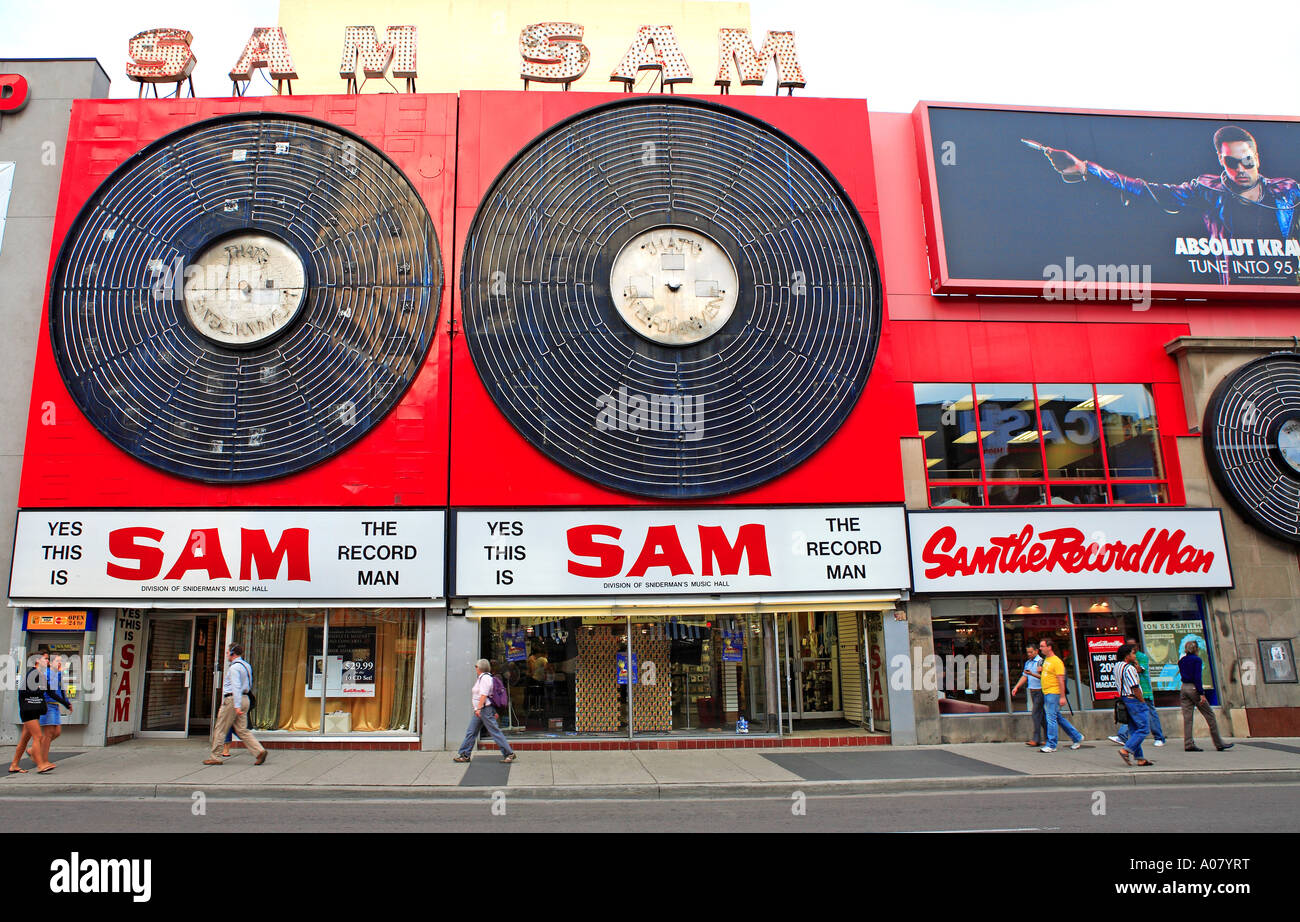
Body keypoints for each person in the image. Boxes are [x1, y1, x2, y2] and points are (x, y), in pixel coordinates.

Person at [1033, 125, 1300, 285]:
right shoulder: (1206, 190)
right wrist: (1087, 169)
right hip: (1235, 291)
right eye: (1232, 163)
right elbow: (1148, 190)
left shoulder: (1288, 191)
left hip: (1287, 292)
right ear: (1221, 160)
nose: (1242, 169)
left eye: (1248, 161)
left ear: (1257, 158)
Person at [203, 643, 267, 766]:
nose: (227, 655)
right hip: (245, 698)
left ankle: (215, 757)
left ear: (232, 653)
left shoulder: (234, 668)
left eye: (227, 653)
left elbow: (236, 687)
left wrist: (236, 706)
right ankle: (259, 751)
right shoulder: (246, 665)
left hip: (233, 700)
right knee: (242, 730)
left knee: (221, 728)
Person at [454, 659, 516, 764]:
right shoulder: (482, 678)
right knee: (471, 732)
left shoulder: (485, 679)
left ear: (480, 667)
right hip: (481, 710)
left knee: (494, 731)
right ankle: (464, 754)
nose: (475, 668)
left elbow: (483, 695)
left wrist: (478, 708)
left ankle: (509, 753)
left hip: (484, 710)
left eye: (476, 666)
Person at [1109, 636, 1166, 747]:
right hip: (1133, 695)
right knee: (1136, 721)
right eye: (1130, 648)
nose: (1133, 651)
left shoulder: (1142, 657)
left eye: (1134, 646)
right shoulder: (1123, 666)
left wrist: (1135, 662)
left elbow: (1140, 670)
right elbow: (1133, 685)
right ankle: (1125, 740)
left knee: (1147, 718)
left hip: (1143, 690)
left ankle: (1158, 737)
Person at [1179, 640, 1233, 752]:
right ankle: (1218, 742)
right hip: (1194, 688)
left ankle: (1188, 743)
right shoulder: (1197, 660)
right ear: (1196, 649)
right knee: (1209, 715)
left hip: (1184, 688)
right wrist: (1201, 693)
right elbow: (1197, 677)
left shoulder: (1182, 661)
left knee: (1188, 718)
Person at [9, 651, 56, 774]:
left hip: (33, 710)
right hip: (28, 710)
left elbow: (50, 692)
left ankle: (14, 765)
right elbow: (23, 692)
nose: (47, 661)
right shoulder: (32, 674)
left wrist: (66, 703)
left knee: (24, 739)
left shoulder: (41, 675)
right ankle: (41, 765)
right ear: (37, 661)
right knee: (38, 736)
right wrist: (38, 690)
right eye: (45, 659)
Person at [1038, 637, 1083, 752]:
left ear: (1049, 647)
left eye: (1042, 646)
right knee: (1057, 717)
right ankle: (1077, 736)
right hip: (1047, 692)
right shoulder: (1046, 660)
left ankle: (1051, 744)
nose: (1040, 648)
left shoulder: (1056, 661)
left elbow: (1060, 680)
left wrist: (1062, 696)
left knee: (1051, 718)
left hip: (1053, 692)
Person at [1116, 644, 1154, 766]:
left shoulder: (1117, 666)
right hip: (1134, 700)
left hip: (1125, 699)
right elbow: (1135, 687)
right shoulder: (1129, 668)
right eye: (1132, 653)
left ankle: (1140, 758)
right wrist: (1142, 701)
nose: (1135, 655)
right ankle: (1125, 750)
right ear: (1127, 656)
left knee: (1134, 730)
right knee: (1144, 728)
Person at [36, 652, 73, 758]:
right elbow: (49, 692)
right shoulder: (47, 674)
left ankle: (34, 750)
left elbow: (62, 690)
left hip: (55, 705)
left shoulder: (58, 674)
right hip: (48, 705)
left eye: (61, 661)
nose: (60, 663)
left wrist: (67, 703)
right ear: (51, 663)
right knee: (49, 734)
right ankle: (42, 759)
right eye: (57, 661)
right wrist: (65, 702)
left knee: (57, 732)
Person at [1010, 643, 1046, 747]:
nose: (1029, 654)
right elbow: (1024, 676)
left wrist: (1032, 674)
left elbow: (1044, 677)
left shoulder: (1040, 662)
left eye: (1031, 652)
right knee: (1041, 715)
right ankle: (1048, 737)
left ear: (1036, 651)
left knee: (1035, 713)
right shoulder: (1028, 663)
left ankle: (1036, 738)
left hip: (1040, 691)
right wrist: (1016, 687)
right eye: (1028, 652)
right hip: (1032, 691)